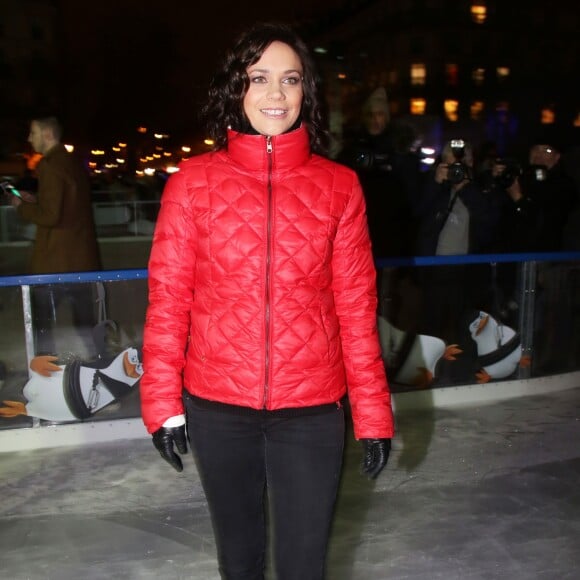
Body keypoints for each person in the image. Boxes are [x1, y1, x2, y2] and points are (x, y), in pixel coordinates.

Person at [140, 22, 394, 580]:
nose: (275, 95)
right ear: (237, 89)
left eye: (290, 79)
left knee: (305, 565)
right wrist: (161, 400)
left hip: (311, 413)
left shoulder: (339, 187)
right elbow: (168, 300)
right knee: (240, 561)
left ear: (307, 93)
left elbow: (356, 307)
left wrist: (372, 413)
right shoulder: (192, 183)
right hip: (217, 408)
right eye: (259, 79)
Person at [10, 115, 102, 357]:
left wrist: (21, 206)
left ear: (47, 134)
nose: (29, 139)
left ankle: (44, 374)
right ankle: (101, 369)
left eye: (33, 133)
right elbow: (65, 208)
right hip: (81, 261)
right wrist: (37, 202)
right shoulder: (71, 163)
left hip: (55, 264)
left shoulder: (50, 165)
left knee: (42, 326)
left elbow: (51, 216)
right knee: (86, 324)